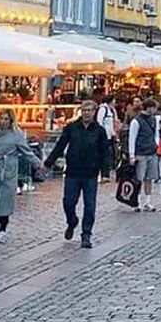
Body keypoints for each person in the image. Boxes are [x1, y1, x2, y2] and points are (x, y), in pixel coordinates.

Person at [44, 99, 110, 248]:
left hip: (91, 173)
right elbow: (60, 146)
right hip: (73, 171)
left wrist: (105, 173)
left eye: (90, 110)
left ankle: (86, 234)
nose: (87, 113)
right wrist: (48, 163)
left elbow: (105, 153)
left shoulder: (99, 131)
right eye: (85, 110)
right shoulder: (71, 128)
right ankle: (72, 220)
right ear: (81, 111)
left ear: (94, 112)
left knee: (90, 206)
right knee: (68, 201)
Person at [0, 109, 43, 244]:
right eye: (1, 119)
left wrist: (38, 164)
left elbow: (26, 151)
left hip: (8, 168)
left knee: (5, 199)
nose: (3, 122)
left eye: (6, 119)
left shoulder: (16, 134)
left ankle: (3, 227)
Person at [128, 97, 161, 213]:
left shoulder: (154, 120)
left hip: (151, 152)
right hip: (140, 153)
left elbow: (156, 133)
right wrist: (132, 154)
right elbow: (132, 138)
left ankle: (147, 201)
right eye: (154, 108)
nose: (155, 110)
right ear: (149, 108)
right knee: (138, 179)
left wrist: (155, 144)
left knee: (149, 178)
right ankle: (136, 201)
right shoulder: (136, 121)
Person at [96, 93, 118, 181]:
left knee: (108, 155)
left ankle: (106, 174)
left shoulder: (110, 110)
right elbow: (99, 122)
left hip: (109, 136)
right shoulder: (103, 109)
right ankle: (103, 174)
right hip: (104, 136)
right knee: (104, 155)